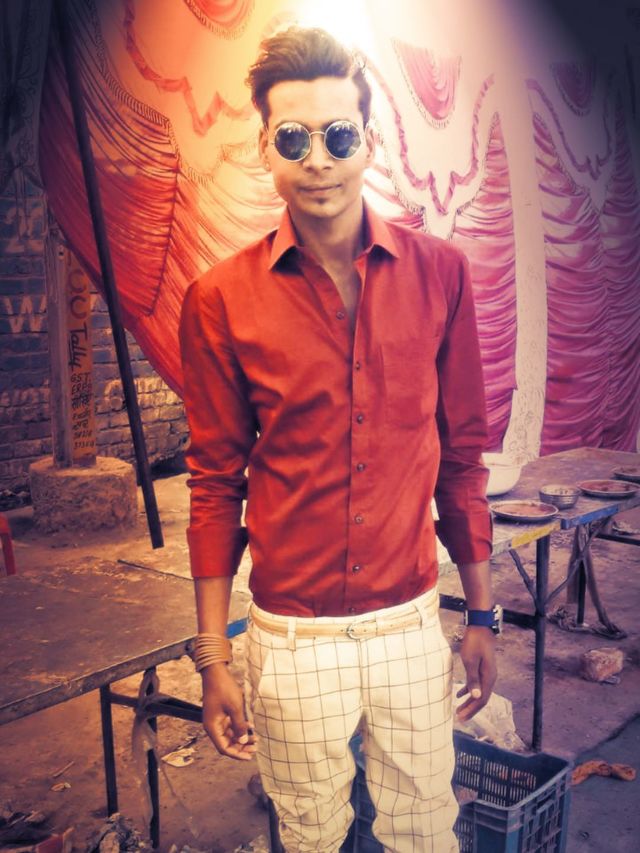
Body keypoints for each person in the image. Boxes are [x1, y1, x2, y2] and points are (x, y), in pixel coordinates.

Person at [179, 26, 497, 853]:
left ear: (369, 142)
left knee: (426, 830)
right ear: (266, 148)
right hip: (293, 641)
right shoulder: (220, 299)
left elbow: (463, 459)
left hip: (408, 625)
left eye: (338, 136)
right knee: (311, 836)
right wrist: (214, 658)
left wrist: (482, 613)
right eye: (293, 138)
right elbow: (214, 483)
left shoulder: (441, 274)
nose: (317, 159)